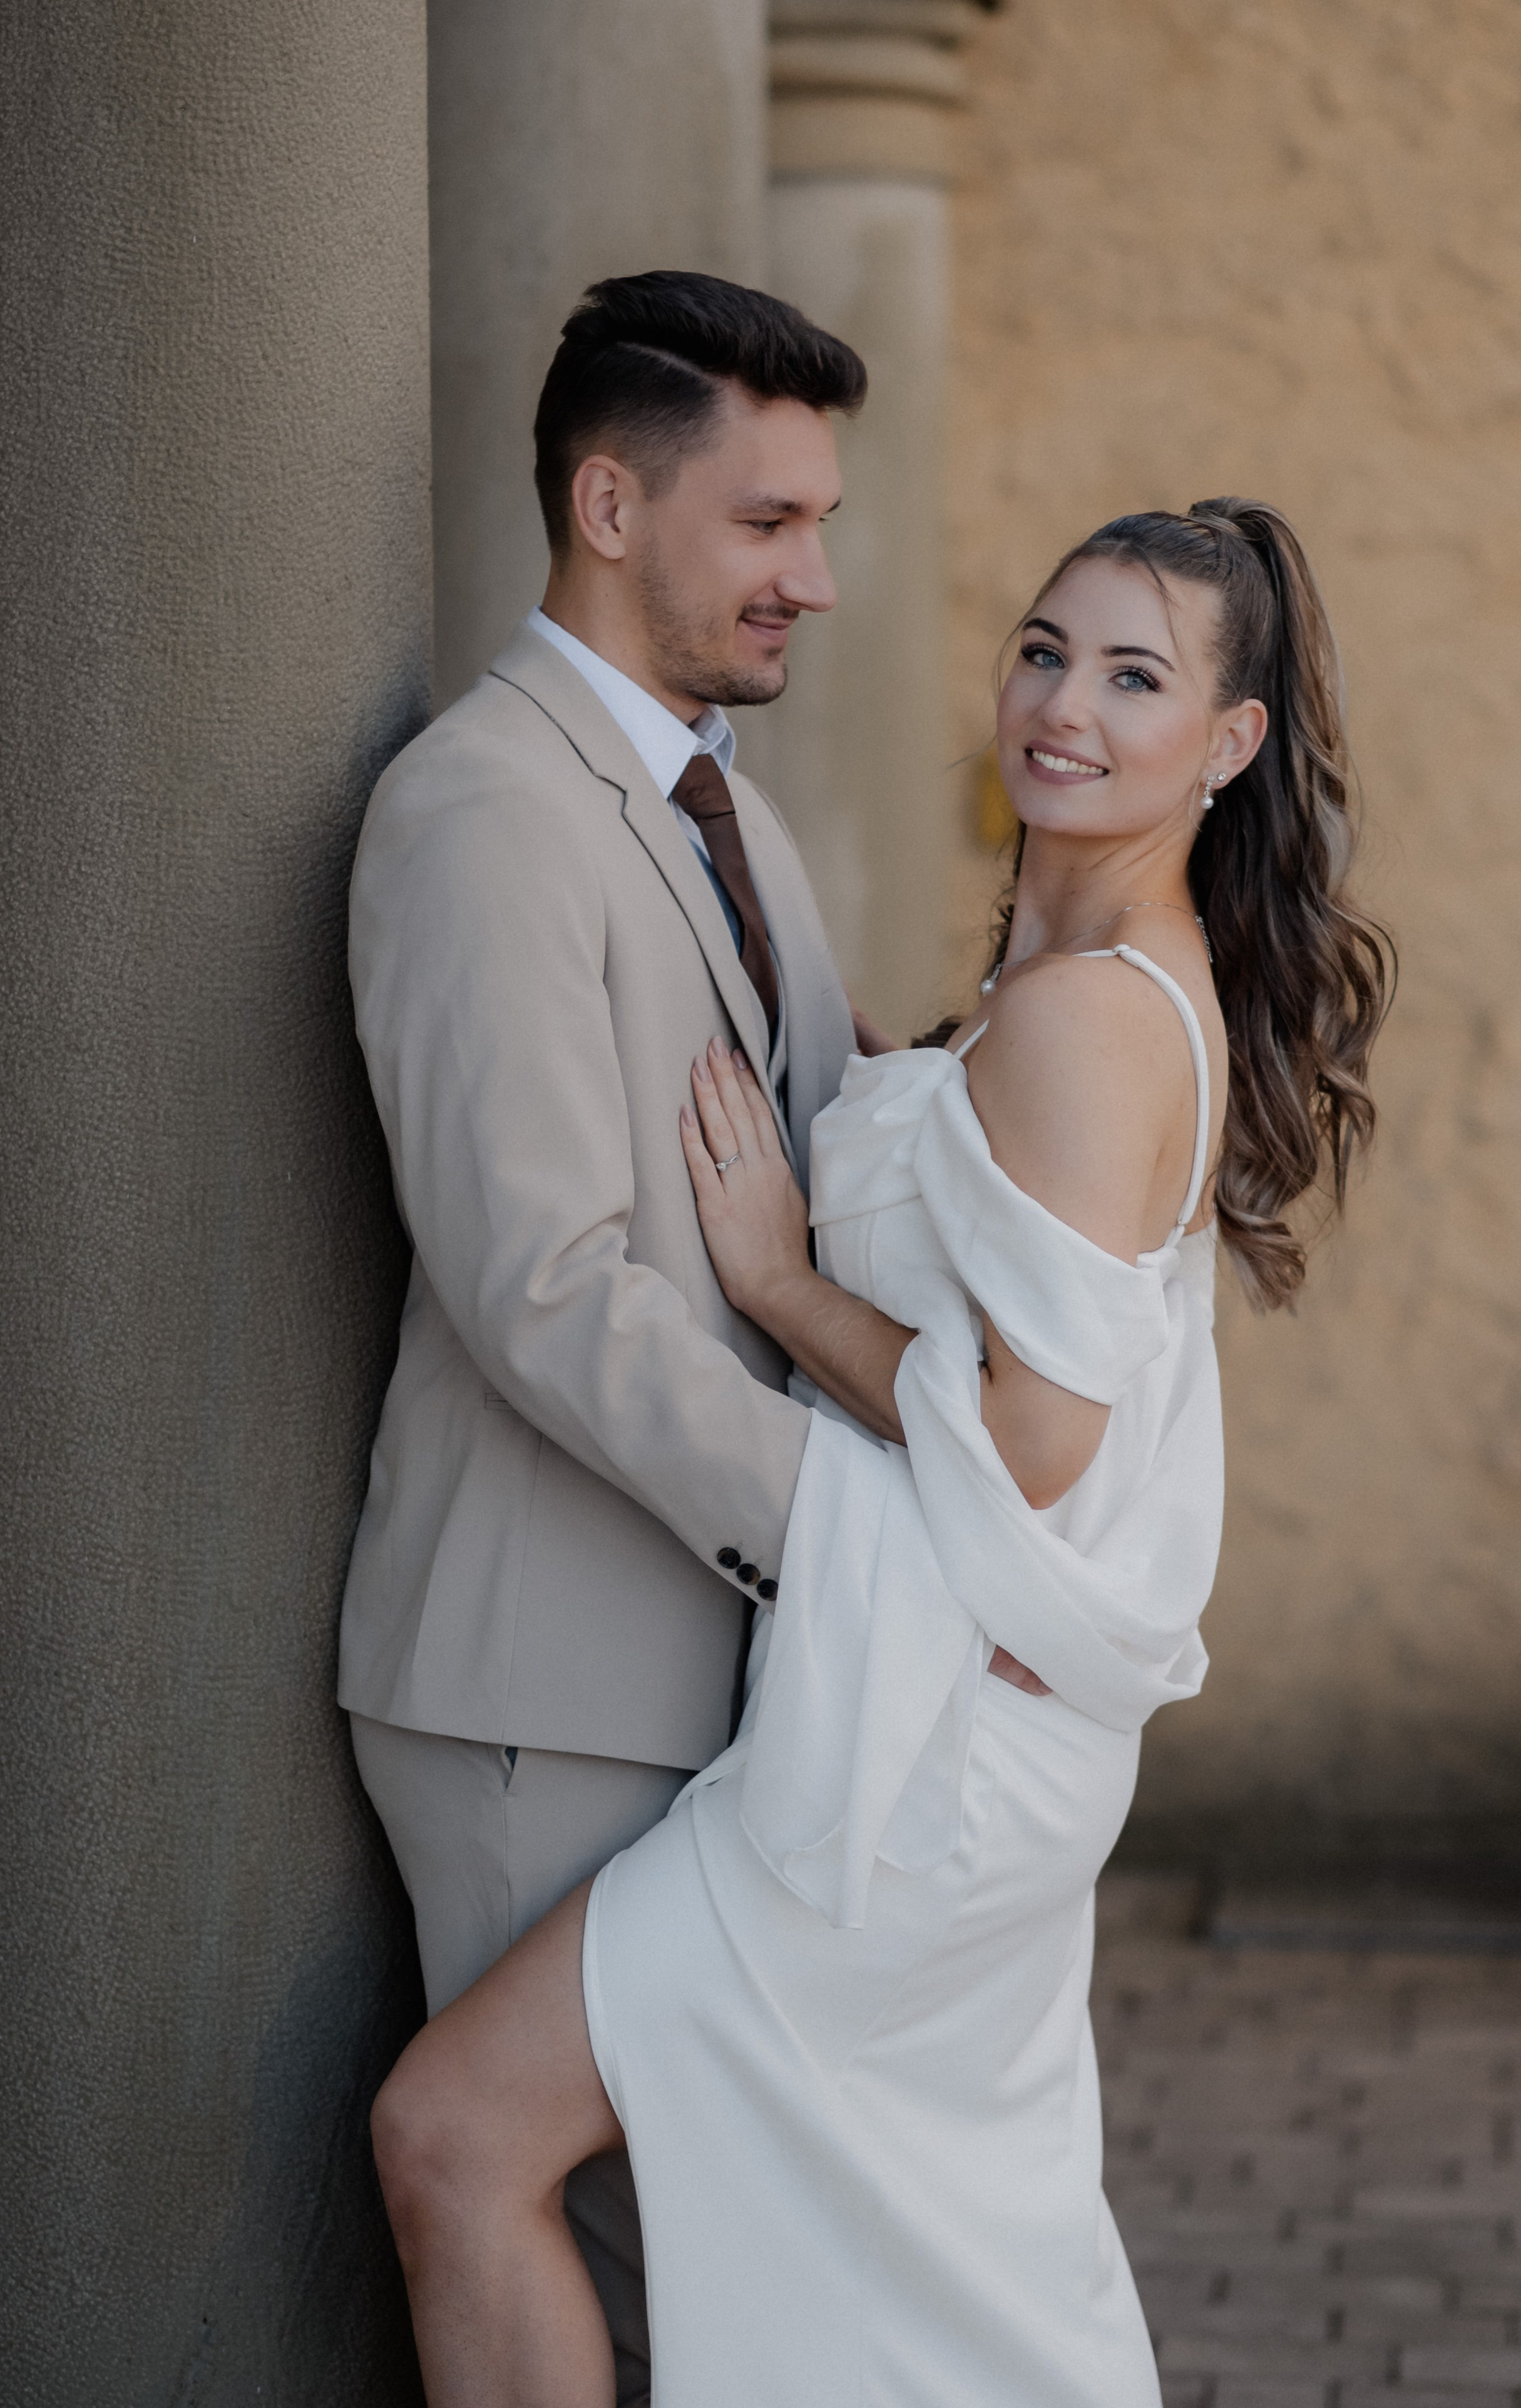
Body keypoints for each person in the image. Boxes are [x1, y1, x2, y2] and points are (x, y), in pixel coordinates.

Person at [369, 499, 1393, 2406]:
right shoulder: (1063, 985)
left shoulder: (1095, 1019)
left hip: (926, 1761)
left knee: (458, 2137)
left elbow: (1036, 1437)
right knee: (904, 2268)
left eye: (1136, 675)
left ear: (1231, 742)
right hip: (944, 1718)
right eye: (1043, 648)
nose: (1062, 705)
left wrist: (769, 1271)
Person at [339, 270, 868, 2404]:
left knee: (720, 2268)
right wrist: (855, 1522)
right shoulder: (484, 810)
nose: (815, 579)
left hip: (724, 1665)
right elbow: (541, 1286)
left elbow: (809, 1169)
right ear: (610, 503)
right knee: (629, 2264)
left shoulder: (729, 806)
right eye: (769, 525)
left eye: (823, 523)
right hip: (546, 1687)